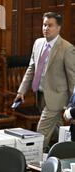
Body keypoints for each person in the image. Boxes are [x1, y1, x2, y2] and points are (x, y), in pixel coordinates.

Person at [16, 12, 75, 151]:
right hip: (41, 95)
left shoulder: (67, 48)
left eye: (50, 25)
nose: (46, 28)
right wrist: (21, 91)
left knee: (41, 131)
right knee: (59, 130)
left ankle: (34, 160)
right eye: (44, 25)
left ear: (58, 27)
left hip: (57, 98)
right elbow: (31, 68)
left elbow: (73, 78)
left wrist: (72, 105)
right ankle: (65, 152)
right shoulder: (38, 43)